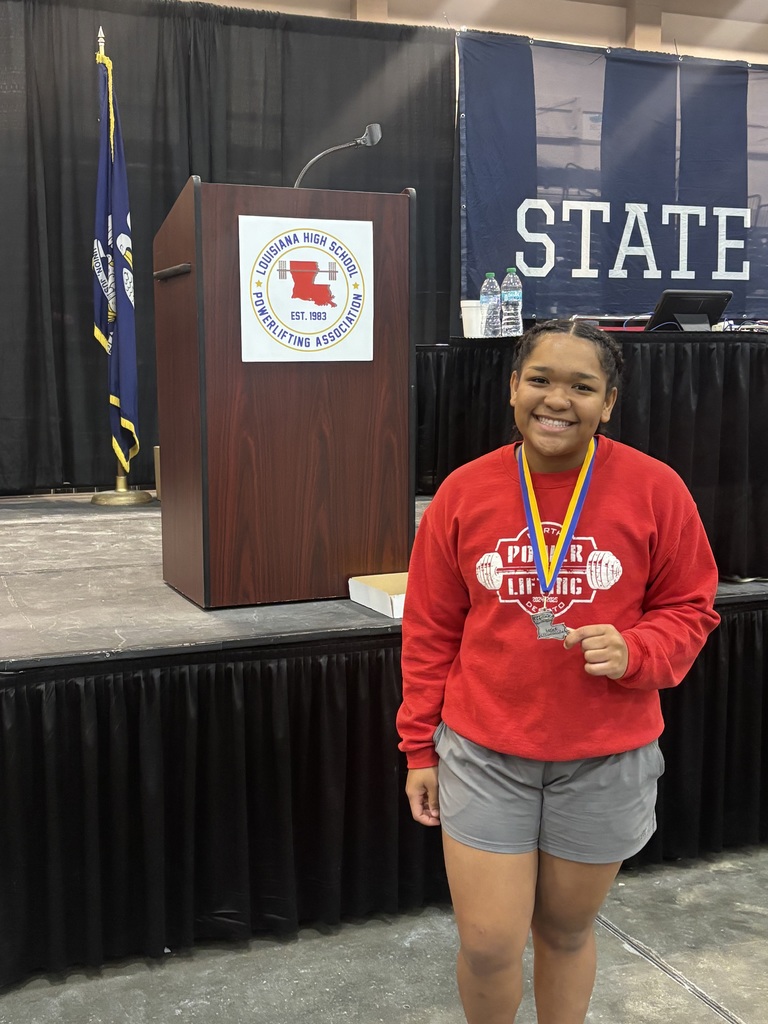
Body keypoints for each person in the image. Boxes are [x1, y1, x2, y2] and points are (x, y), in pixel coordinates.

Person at [396, 319, 720, 1024]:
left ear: (609, 403)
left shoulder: (655, 489)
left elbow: (692, 609)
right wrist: (419, 745)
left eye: (583, 386)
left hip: (605, 756)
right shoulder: (462, 492)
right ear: (513, 388)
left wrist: (636, 650)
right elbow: (429, 632)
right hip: (485, 751)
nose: (557, 399)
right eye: (541, 379)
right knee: (488, 944)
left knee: (567, 932)